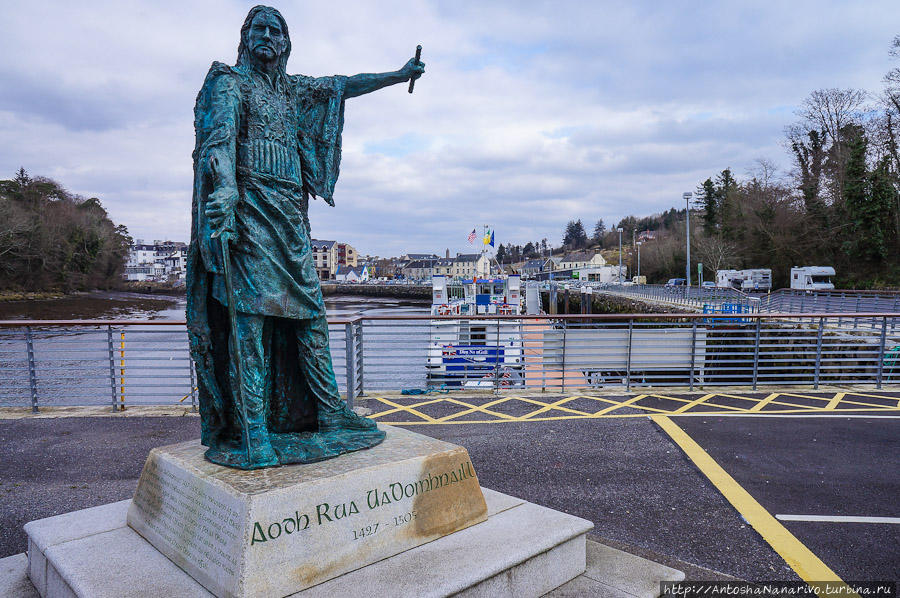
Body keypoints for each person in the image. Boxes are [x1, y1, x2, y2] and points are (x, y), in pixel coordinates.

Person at [186, 5, 424, 469]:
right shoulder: (230, 83)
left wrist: (398, 75)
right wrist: (228, 190)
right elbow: (218, 142)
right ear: (246, 36)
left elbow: (344, 85)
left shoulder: (294, 90)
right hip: (250, 217)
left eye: (277, 30)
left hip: (292, 221)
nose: (268, 36)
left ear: (287, 42)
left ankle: (330, 412)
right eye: (260, 28)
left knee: (311, 316)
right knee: (249, 326)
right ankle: (254, 431)